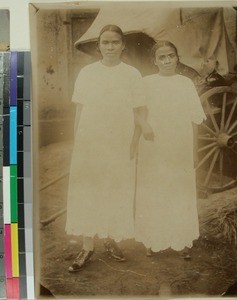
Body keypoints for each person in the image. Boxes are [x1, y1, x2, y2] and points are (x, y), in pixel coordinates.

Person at [65, 25, 149, 272]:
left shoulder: (132, 74)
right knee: (88, 191)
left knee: (115, 190)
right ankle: (87, 245)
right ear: (98, 46)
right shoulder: (87, 73)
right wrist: (77, 141)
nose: (110, 47)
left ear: (123, 45)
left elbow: (139, 111)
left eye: (115, 42)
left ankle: (110, 237)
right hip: (90, 142)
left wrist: (134, 140)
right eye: (105, 42)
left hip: (119, 142)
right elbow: (79, 110)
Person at [132, 41, 206, 258]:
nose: (166, 61)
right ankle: (152, 238)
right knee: (154, 189)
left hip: (179, 145)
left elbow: (195, 119)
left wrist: (193, 150)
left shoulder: (185, 84)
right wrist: (144, 125)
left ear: (177, 58)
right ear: (154, 61)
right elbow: (134, 110)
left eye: (170, 56)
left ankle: (180, 240)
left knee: (178, 189)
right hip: (154, 144)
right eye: (161, 57)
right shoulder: (146, 83)